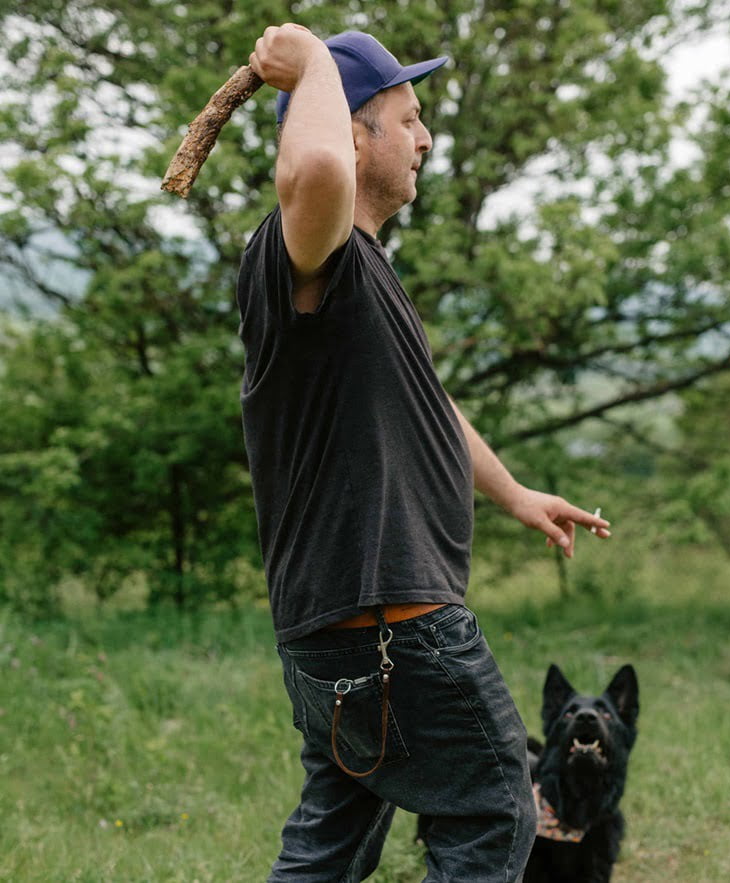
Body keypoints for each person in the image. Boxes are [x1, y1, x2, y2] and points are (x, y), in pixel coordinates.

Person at [237, 24, 611, 883]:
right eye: (406, 118)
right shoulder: (308, 251)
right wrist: (313, 63)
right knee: (494, 804)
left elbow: (423, 404)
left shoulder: (358, 271)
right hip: (393, 628)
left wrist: (513, 491)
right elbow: (316, 170)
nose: (427, 138)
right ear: (354, 128)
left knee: (331, 842)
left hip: (340, 632)